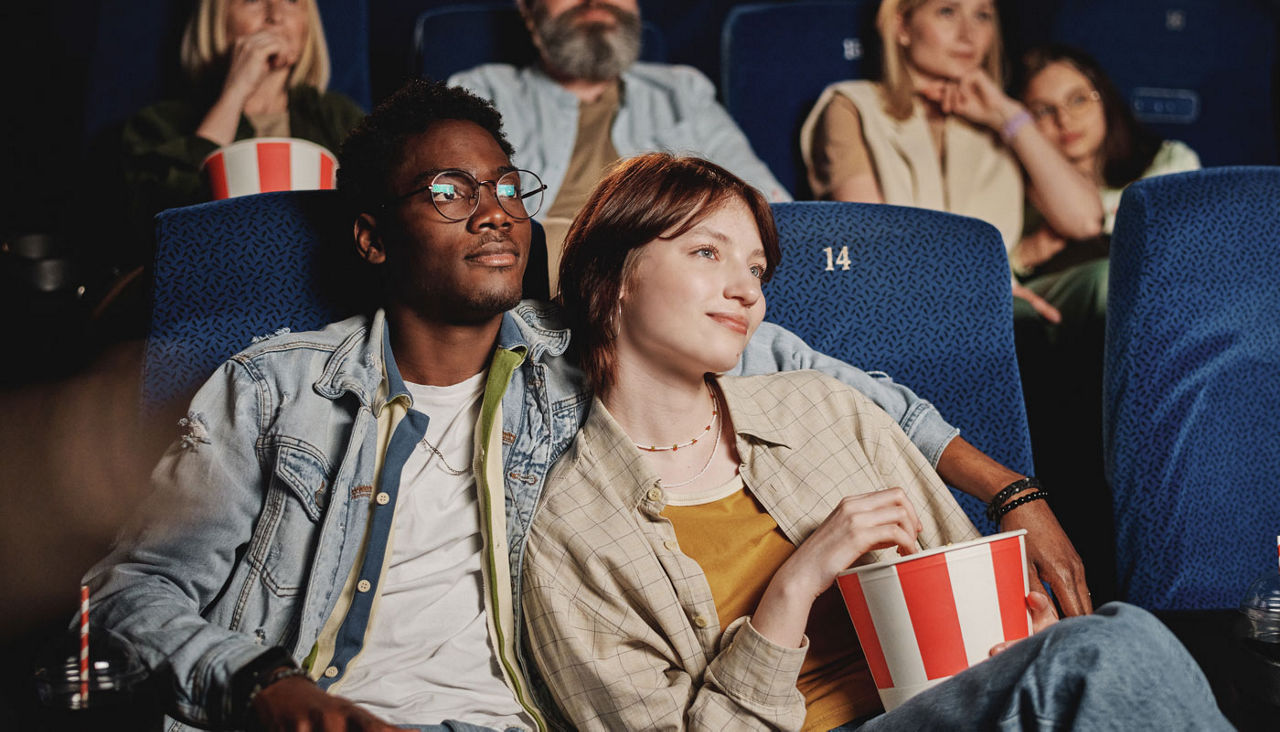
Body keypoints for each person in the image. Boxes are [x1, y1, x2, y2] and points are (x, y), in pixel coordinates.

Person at [82, 78, 1086, 730]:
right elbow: (130, 597)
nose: (492, 209)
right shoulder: (274, 388)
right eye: (445, 189)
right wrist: (264, 686)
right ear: (372, 240)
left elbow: (829, 385)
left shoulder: (588, 361)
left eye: (505, 184)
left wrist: (1012, 495)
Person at [522, 152, 1231, 731]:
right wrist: (796, 584)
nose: (746, 291)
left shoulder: (825, 408)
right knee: (1114, 649)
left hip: (944, 705)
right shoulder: (567, 530)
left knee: (1098, 648)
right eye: (707, 252)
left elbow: (958, 582)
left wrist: (1018, 639)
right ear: (611, 277)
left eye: (756, 269)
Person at [1007, 45, 1200, 604]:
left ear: (1106, 101)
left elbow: (1175, 246)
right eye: (1042, 111)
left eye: (1077, 100)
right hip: (1064, 335)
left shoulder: (1166, 159)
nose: (1064, 120)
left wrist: (1064, 241)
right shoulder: (1027, 184)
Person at [799, 0, 1104, 323]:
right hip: (905, 299)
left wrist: (1007, 115)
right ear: (902, 26)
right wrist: (976, 288)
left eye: (982, 15)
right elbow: (872, 245)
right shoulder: (853, 106)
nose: (968, 34)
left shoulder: (996, 118)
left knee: (1106, 280)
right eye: (947, 12)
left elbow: (1084, 221)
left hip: (1007, 292)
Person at [449, 0, 789, 287]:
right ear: (527, 10)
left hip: (682, 285)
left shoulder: (683, 93)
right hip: (542, 284)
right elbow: (458, 219)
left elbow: (768, 207)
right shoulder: (483, 91)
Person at [119, 0, 365, 260]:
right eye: (253, 1)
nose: (276, 15)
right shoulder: (159, 122)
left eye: (292, 1)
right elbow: (155, 225)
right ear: (217, 22)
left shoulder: (339, 117)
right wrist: (235, 92)